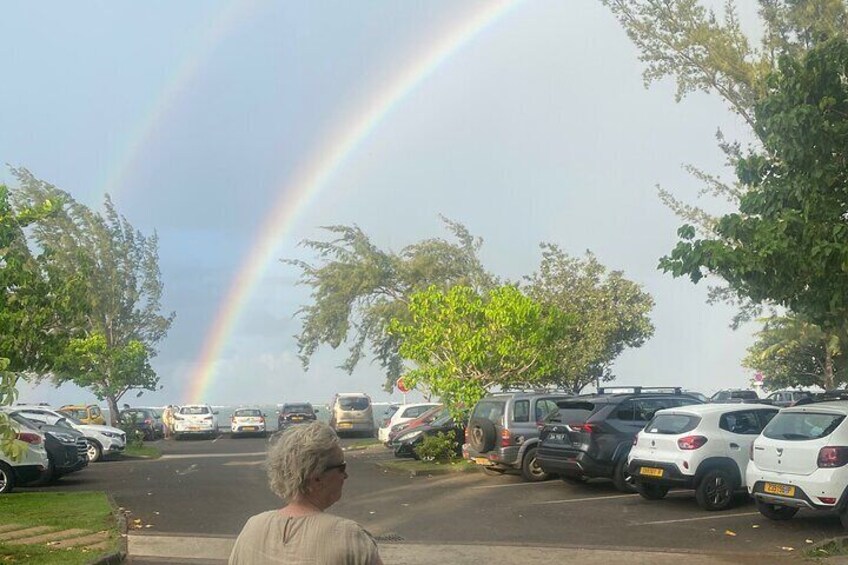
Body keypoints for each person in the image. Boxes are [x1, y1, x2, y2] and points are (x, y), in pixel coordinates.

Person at [229, 421, 382, 565]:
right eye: (341, 467)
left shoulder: (252, 527)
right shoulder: (349, 536)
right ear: (317, 478)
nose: (345, 476)